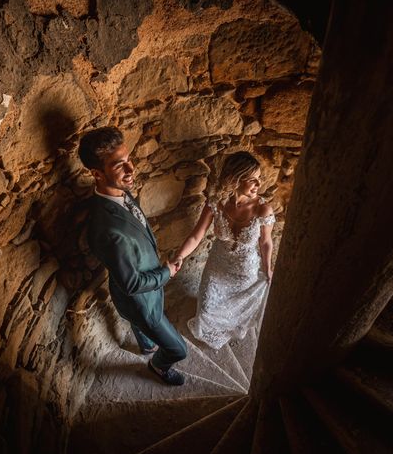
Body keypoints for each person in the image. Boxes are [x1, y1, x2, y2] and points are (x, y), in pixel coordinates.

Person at [78, 126, 187, 386]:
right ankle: (158, 365)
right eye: (120, 165)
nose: (131, 169)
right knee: (178, 349)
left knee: (140, 327)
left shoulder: (119, 193)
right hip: (142, 302)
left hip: (134, 296)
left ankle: (147, 346)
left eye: (129, 160)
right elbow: (132, 284)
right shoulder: (107, 230)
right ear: (96, 174)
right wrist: (167, 273)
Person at [173, 151, 275, 350]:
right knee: (206, 307)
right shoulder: (215, 204)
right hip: (217, 265)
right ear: (236, 180)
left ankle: (233, 327)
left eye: (259, 179)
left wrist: (267, 267)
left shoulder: (263, 209)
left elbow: (265, 242)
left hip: (245, 269)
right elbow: (196, 235)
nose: (259, 184)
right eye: (253, 180)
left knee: (237, 307)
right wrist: (179, 256)